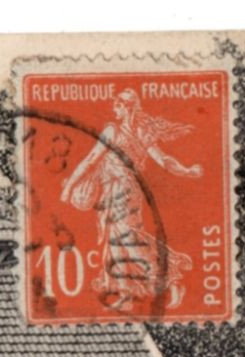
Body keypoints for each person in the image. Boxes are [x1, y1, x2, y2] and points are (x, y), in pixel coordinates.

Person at [59, 88, 204, 313]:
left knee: (128, 239)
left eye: (117, 106)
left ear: (126, 107)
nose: (114, 110)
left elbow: (90, 160)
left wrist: (69, 187)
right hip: (114, 191)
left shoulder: (114, 130)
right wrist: (187, 171)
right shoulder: (141, 133)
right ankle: (124, 293)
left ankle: (170, 278)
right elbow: (164, 160)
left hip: (123, 191)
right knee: (113, 240)